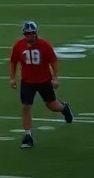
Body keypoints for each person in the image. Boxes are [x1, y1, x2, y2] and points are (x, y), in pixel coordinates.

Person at [8, 20, 73, 149]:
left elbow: (53, 61)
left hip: (44, 80)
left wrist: (55, 77)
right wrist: (12, 78)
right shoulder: (19, 46)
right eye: (27, 33)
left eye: (31, 33)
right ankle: (28, 135)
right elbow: (13, 62)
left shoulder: (44, 45)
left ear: (36, 33)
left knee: (52, 105)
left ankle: (64, 108)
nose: (29, 36)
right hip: (27, 82)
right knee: (26, 106)